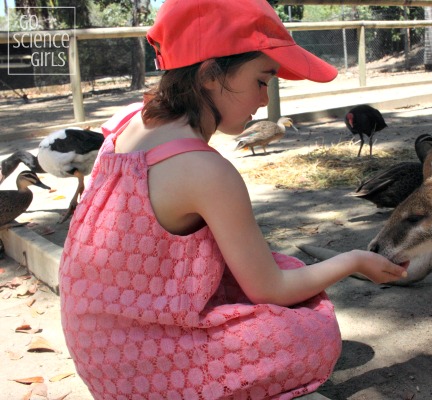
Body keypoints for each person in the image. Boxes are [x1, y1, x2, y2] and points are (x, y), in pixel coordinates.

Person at [59, 0, 408, 398]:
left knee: (276, 265)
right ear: (210, 74)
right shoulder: (206, 171)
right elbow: (271, 290)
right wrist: (354, 261)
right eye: (262, 80)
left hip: (97, 350)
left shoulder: (128, 120)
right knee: (314, 330)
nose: (265, 99)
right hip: (143, 374)